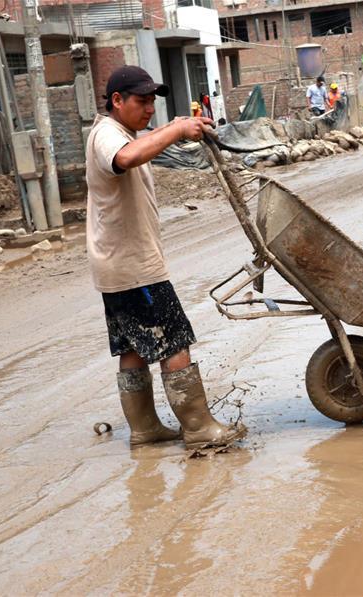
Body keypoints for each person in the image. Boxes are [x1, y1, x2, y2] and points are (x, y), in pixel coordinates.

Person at [86, 65, 245, 449]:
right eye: (141, 102)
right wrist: (174, 131)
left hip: (117, 264)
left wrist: (171, 126)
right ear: (117, 101)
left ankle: (145, 429)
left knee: (132, 347)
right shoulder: (107, 135)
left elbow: (138, 145)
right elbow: (125, 158)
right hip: (134, 267)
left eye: (152, 102)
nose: (148, 110)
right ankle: (199, 428)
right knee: (174, 340)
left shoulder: (123, 132)